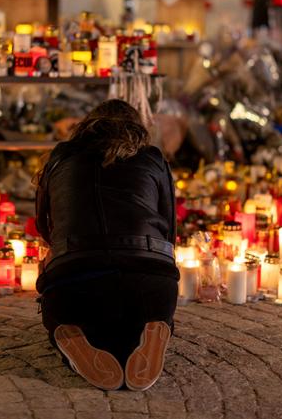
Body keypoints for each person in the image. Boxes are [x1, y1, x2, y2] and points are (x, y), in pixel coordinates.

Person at [35, 99, 178, 391]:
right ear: (137, 128)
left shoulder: (61, 156)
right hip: (152, 282)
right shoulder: (153, 158)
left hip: (73, 281)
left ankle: (72, 333)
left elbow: (43, 225)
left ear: (87, 125)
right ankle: (154, 324)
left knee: (65, 315)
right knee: (138, 316)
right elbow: (170, 230)